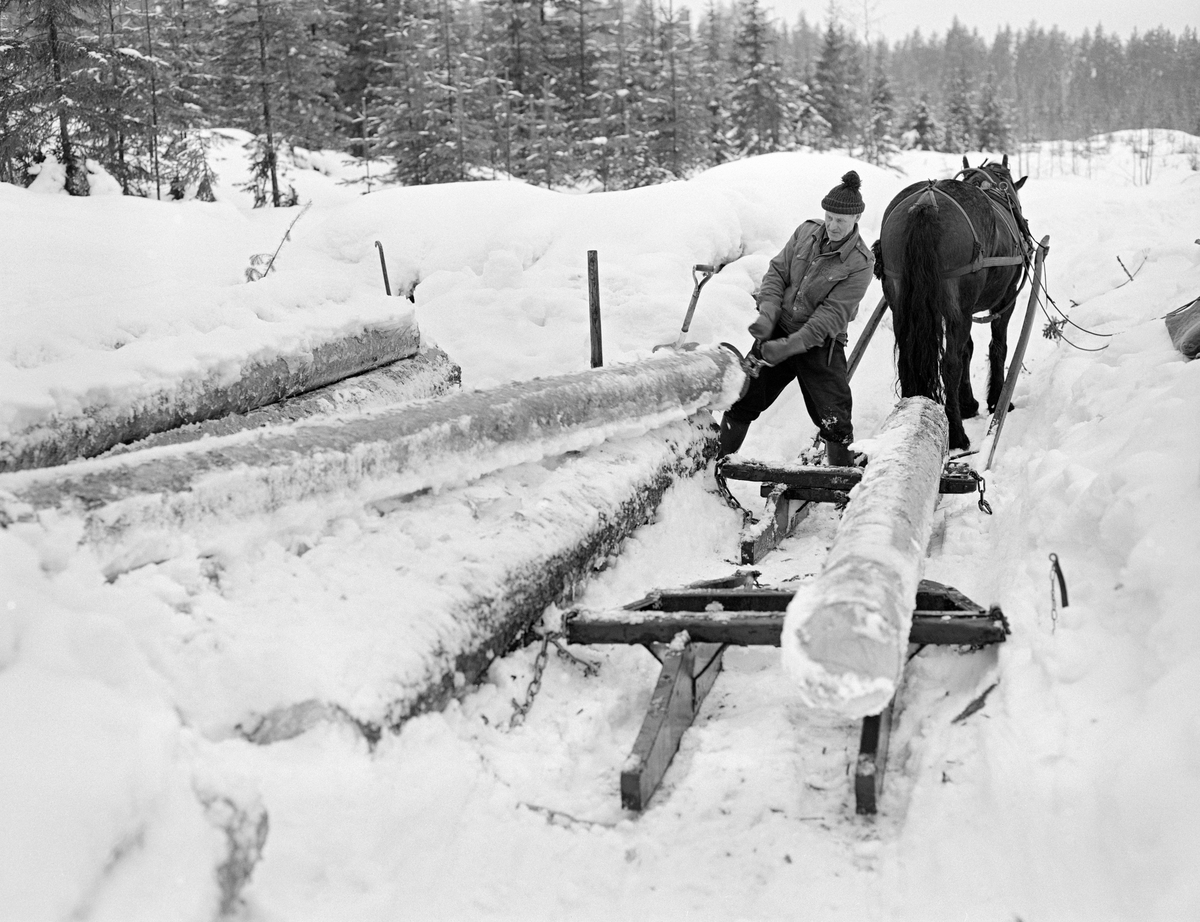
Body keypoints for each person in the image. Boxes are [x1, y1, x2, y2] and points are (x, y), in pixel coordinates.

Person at [718, 170, 874, 467]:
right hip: (780, 327)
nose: (832, 226)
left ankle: (840, 478)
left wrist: (791, 346)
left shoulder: (860, 263)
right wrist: (768, 313)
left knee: (834, 417)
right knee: (744, 399)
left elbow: (831, 315)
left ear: (856, 220)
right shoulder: (807, 232)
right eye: (829, 217)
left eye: (840, 220)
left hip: (821, 343)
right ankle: (715, 465)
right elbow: (777, 271)